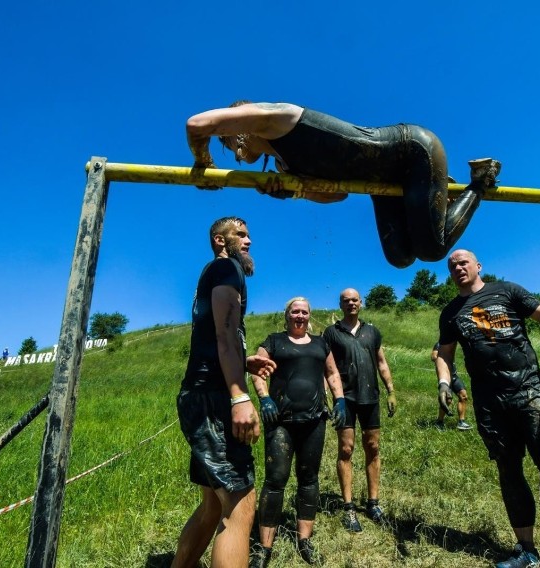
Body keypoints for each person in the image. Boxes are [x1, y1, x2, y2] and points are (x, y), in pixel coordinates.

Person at [186, 101, 501, 268]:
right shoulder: (285, 165)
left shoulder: (274, 117)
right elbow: (337, 194)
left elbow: (196, 124)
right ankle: (430, 187)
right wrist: (292, 192)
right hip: (382, 181)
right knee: (401, 258)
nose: (236, 156)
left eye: (228, 146)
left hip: (411, 151)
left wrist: (204, 164)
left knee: (431, 249)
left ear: (238, 130)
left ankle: (479, 182)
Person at [436, 250, 540, 568]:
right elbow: (445, 354)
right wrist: (443, 384)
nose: (458, 267)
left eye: (463, 262)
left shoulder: (506, 290)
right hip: (489, 402)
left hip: (529, 391)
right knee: (509, 471)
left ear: (478, 266)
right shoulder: (451, 312)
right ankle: (526, 550)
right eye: (452, 265)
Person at [173, 216, 276, 568]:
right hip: (214, 399)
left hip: (201, 394)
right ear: (220, 240)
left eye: (249, 235)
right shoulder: (227, 268)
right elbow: (225, 333)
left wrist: (241, 362)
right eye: (241, 235)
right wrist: (240, 395)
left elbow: (216, 333)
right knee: (240, 507)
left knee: (212, 506)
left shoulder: (214, 274)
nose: (248, 241)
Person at [247, 297, 348, 567]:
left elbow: (332, 373)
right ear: (287, 314)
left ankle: (305, 540)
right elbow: (257, 370)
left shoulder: (320, 343)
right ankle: (264, 547)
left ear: (309, 316)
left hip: (314, 420)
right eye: (295, 311)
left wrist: (339, 400)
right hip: (281, 421)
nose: (300, 316)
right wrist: (264, 398)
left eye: (304, 312)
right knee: (275, 480)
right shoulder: (274, 341)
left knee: (309, 479)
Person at [322, 288, 396, 532]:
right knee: (346, 449)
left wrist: (391, 390)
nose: (351, 303)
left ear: (360, 303)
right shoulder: (331, 333)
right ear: (340, 304)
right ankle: (349, 506)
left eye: (354, 300)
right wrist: (327, 396)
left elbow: (382, 362)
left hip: (370, 397)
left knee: (373, 447)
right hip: (345, 399)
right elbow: (327, 367)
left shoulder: (372, 331)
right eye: (346, 300)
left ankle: (373, 503)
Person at [431, 342, 472, 431]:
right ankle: (439, 422)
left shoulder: (452, 344)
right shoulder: (439, 345)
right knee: (447, 400)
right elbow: (433, 357)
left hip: (454, 376)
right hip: (445, 377)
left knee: (463, 395)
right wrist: (443, 357)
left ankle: (461, 422)